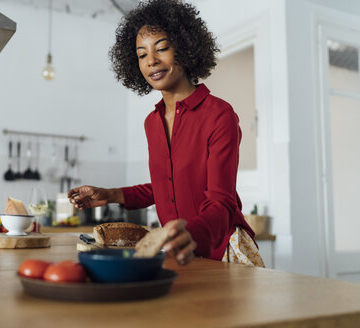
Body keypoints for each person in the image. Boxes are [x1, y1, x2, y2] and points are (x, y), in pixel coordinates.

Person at [68, 0, 264, 267]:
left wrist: (190, 234)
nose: (151, 61)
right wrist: (111, 194)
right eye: (141, 55)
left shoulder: (219, 114)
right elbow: (165, 185)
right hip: (178, 249)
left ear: (184, 48)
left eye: (162, 48)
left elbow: (221, 202)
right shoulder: (152, 122)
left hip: (221, 248)